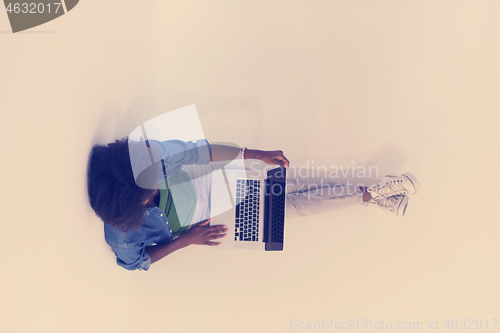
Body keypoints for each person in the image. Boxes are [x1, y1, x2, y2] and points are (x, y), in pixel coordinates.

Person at [87, 138, 419, 271]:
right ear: (134, 206)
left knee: (293, 187)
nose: (159, 179)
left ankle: (373, 194)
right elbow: (136, 262)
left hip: (220, 184)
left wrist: (254, 153)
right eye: (148, 192)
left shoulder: (148, 157)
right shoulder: (122, 235)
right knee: (292, 209)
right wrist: (187, 240)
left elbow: (197, 152)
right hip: (215, 220)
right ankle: (374, 194)